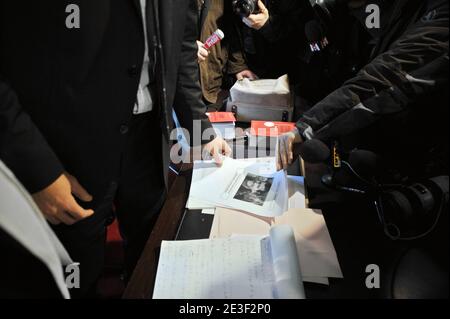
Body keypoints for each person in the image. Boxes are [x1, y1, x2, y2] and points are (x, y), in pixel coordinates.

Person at [0, 0, 230, 297]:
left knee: (150, 257)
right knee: (73, 273)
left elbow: (181, 48)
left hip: (148, 139)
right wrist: (36, 170)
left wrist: (201, 130)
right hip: (64, 152)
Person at [277, 0, 449, 179]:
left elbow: (384, 78)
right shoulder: (348, 10)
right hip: (359, 145)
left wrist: (308, 127)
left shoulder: (439, 13)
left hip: (422, 165)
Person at [196, 0, 257, 107]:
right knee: (193, 120)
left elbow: (230, 27)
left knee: (202, 121)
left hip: (212, 87)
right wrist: (186, 47)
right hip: (183, 85)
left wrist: (238, 66)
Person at [237, 0, 315, 83]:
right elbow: (231, 24)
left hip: (285, 69)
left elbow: (303, 34)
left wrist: (266, 25)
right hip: (249, 64)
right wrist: (239, 66)